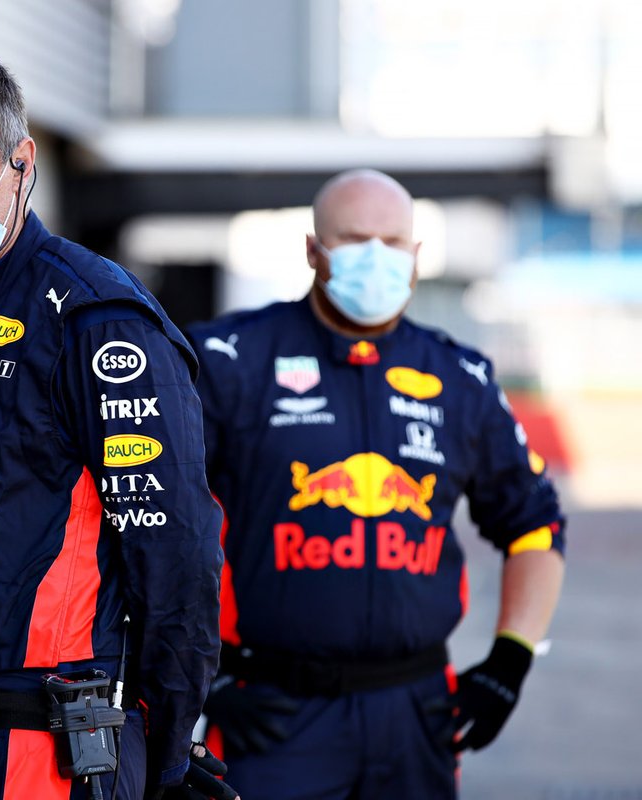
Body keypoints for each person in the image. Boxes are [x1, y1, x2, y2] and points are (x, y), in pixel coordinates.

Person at [0, 48, 232, 800]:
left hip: (50, 748)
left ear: (21, 161)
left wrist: (167, 749)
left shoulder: (97, 316)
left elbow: (176, 552)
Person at [187, 169, 567, 799]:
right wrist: (204, 678)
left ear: (417, 254)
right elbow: (151, 528)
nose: (376, 259)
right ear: (314, 251)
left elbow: (535, 526)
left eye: (393, 242)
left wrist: (511, 660)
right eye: (355, 239)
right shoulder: (228, 359)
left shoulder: (460, 376)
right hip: (273, 712)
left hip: (415, 714)